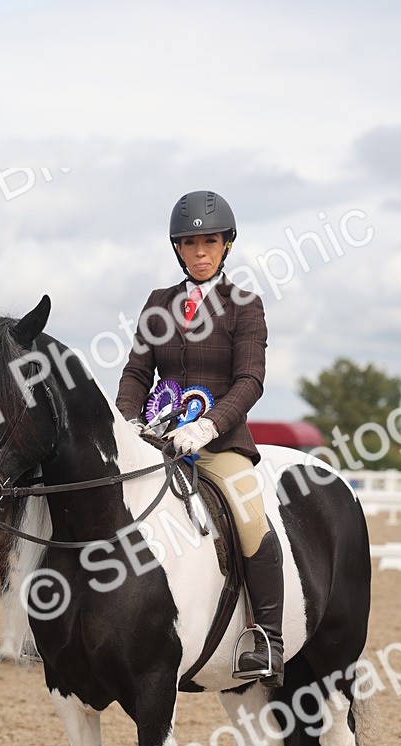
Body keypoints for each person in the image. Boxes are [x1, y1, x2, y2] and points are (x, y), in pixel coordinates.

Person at [115, 189, 284, 685]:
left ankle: (267, 638)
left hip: (220, 444)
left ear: (226, 244)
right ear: (178, 249)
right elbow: (136, 372)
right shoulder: (158, 304)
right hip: (157, 442)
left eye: (209, 241)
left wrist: (209, 425)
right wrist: (126, 423)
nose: (200, 252)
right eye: (190, 243)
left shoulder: (244, 306)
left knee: (250, 521)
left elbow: (250, 380)